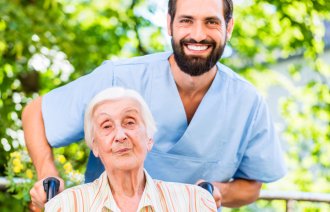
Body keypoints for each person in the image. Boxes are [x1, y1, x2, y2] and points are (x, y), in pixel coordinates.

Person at [22, 0, 286, 210]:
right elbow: (36, 113)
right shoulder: (120, 77)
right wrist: (48, 175)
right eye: (186, 20)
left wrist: (217, 191)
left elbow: (252, 186)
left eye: (211, 22)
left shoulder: (247, 103)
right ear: (169, 24)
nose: (197, 34)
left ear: (228, 27)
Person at [45, 87, 217, 211]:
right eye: (107, 126)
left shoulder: (194, 202)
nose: (120, 135)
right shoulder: (65, 206)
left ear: (149, 139)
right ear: (95, 146)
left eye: (129, 122)